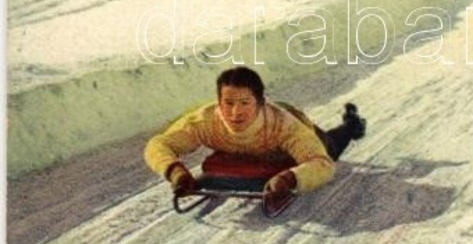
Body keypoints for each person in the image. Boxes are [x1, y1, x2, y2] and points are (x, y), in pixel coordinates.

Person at [144, 66, 367, 215]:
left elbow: (321, 163)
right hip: (252, 150)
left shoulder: (283, 125)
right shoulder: (206, 120)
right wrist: (175, 171)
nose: (235, 113)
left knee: (331, 145)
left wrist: (290, 179)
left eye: (244, 103)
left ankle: (350, 126)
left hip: (293, 132)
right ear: (219, 101)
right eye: (228, 103)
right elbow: (158, 144)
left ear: (259, 103)